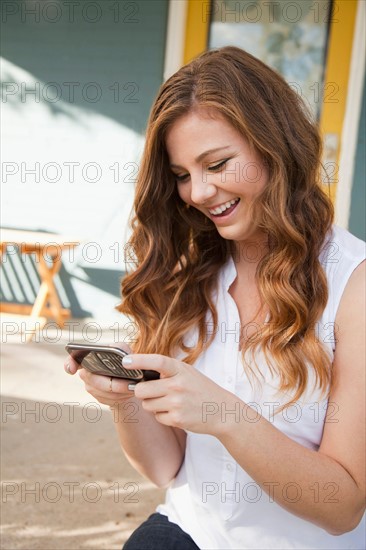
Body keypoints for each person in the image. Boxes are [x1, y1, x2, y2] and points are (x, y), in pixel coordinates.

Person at [65, 46, 365, 549]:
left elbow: (343, 508)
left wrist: (226, 415)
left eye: (217, 163)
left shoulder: (353, 286)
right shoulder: (190, 275)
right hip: (188, 530)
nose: (198, 192)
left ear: (277, 146)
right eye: (182, 174)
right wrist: (123, 403)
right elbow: (166, 467)